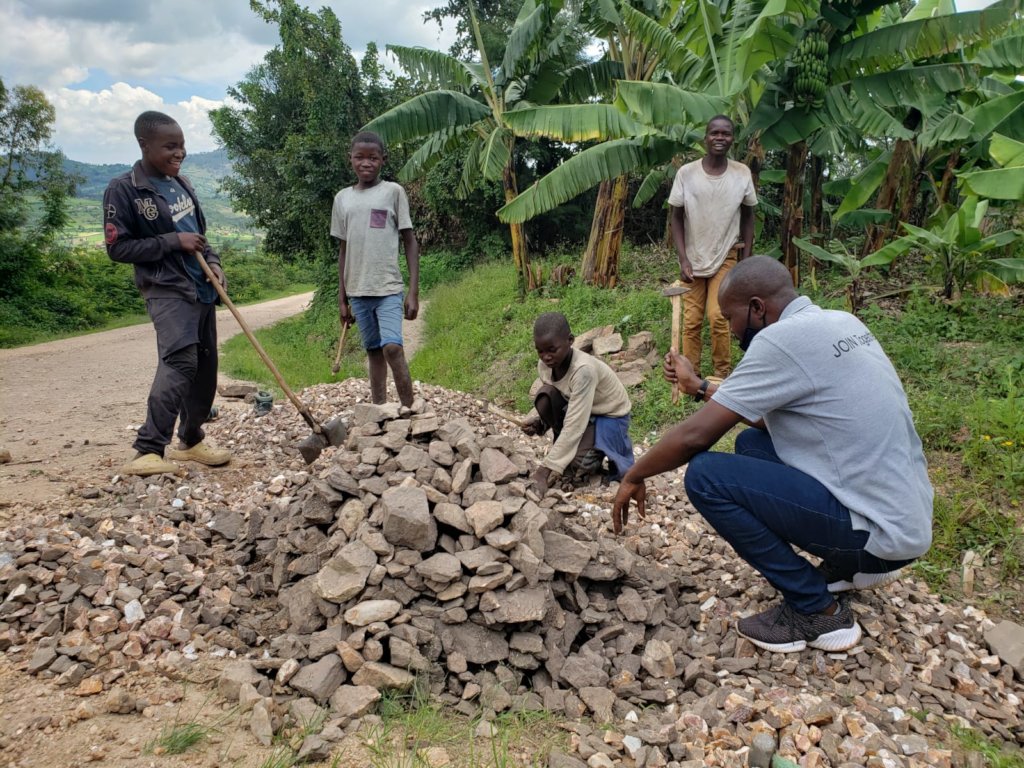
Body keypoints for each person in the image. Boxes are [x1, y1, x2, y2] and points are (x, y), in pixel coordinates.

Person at [611, 257, 933, 654]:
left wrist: (633, 474)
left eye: (731, 318)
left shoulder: (778, 341)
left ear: (758, 308)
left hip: (878, 534)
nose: (730, 329)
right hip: (906, 522)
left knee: (706, 475)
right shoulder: (841, 323)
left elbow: (696, 436)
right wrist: (699, 388)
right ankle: (850, 569)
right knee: (751, 447)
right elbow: (768, 418)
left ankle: (817, 610)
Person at [103, 111, 232, 477]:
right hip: (167, 289)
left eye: (182, 146)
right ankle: (148, 449)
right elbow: (119, 249)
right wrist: (172, 241)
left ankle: (190, 442)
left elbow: (199, 235)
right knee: (180, 361)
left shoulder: (183, 183)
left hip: (201, 287)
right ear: (144, 145)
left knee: (206, 369)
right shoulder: (124, 188)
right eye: (170, 146)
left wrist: (214, 262)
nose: (180, 153)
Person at [332, 131, 419, 408]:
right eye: (359, 157)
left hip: (388, 288)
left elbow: (410, 241)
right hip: (357, 290)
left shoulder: (393, 192)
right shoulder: (342, 199)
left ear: (383, 159)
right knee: (373, 352)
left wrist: (413, 291)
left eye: (372, 157)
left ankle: (409, 410)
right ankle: (380, 409)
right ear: (351, 160)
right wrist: (342, 298)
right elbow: (343, 251)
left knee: (392, 347)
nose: (366, 163)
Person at [668, 115, 757, 379]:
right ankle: (690, 375)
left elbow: (749, 214)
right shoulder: (687, 173)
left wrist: (747, 258)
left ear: (732, 138)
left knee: (719, 317)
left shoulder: (741, 173)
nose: (720, 138)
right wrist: (683, 258)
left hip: (726, 255)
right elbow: (675, 216)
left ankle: (721, 376)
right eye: (714, 133)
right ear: (705, 137)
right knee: (692, 321)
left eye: (726, 134)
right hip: (693, 259)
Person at [524, 312, 635, 495]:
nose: (546, 357)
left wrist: (544, 472)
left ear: (570, 340)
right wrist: (540, 422)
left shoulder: (583, 371)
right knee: (545, 395)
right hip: (582, 409)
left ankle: (599, 453)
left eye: (552, 350)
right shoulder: (544, 366)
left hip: (609, 415)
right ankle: (572, 447)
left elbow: (575, 425)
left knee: (579, 463)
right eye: (541, 351)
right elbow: (557, 397)